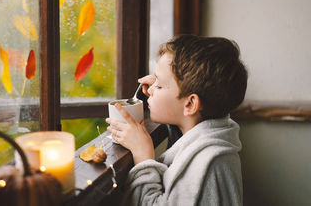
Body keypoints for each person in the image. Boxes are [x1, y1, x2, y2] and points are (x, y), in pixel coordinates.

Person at [106, 34, 248, 206]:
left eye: (157, 85)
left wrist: (143, 156)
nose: (150, 90)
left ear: (190, 104)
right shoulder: (213, 137)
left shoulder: (207, 164)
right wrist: (163, 89)